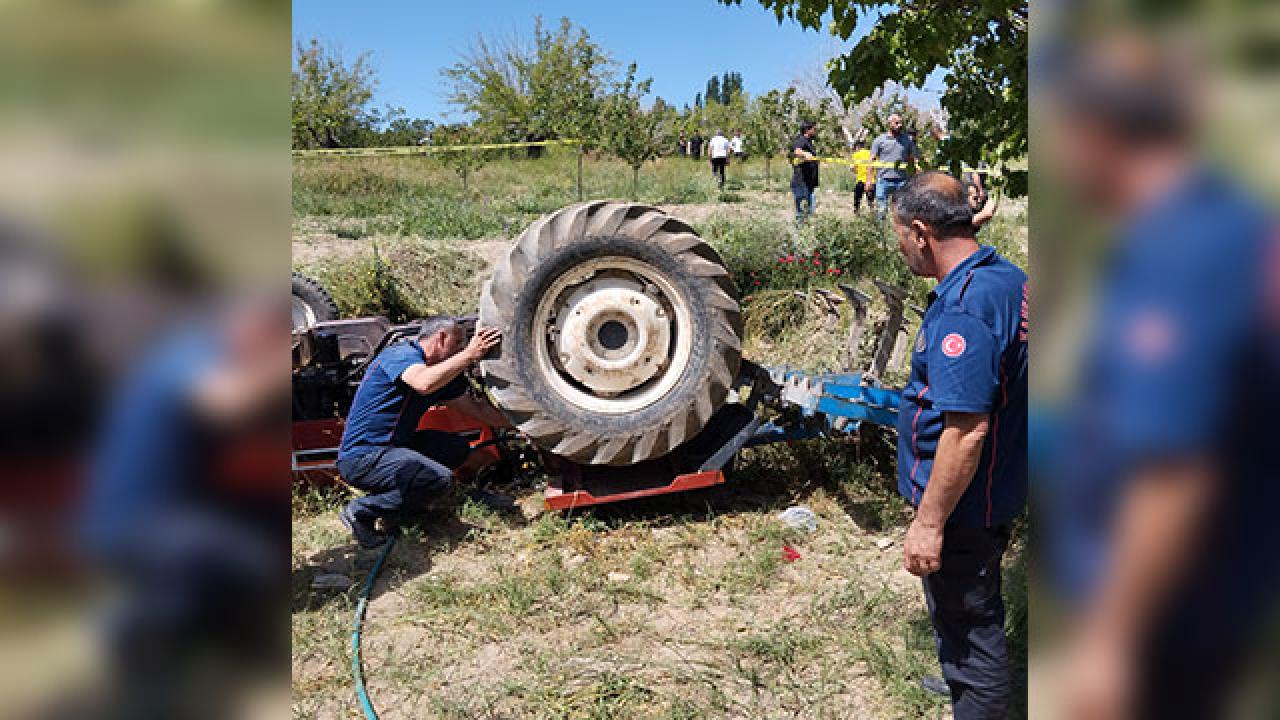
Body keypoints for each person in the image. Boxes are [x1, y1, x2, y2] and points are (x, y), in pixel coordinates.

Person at [1045, 37, 1280, 720]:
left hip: (1170, 620)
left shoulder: (1180, 252)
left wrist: (1110, 642)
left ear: (1099, 133)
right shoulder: (1228, 223)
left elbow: (1174, 469)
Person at [892, 172, 1028, 720]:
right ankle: (963, 679)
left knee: (973, 626)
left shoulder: (964, 309)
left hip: (965, 504)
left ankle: (977, 695)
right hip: (999, 486)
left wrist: (929, 522)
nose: (900, 246)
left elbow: (966, 430)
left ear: (922, 232)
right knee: (957, 613)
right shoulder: (1005, 277)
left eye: (900, 235)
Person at [335, 316, 512, 549]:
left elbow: (478, 409)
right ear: (441, 338)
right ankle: (362, 511)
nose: (461, 349)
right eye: (458, 344)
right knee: (438, 479)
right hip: (364, 457)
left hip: (396, 448)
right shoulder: (400, 355)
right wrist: (470, 354)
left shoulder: (443, 375)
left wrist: (523, 425)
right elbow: (423, 383)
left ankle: (405, 509)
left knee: (456, 448)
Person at [870, 113, 920, 210]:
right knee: (882, 209)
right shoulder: (879, 140)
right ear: (889, 124)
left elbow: (911, 159)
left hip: (902, 180)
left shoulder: (907, 140)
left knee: (901, 209)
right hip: (883, 179)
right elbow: (871, 160)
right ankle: (881, 225)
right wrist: (869, 180)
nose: (900, 125)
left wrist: (913, 177)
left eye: (901, 123)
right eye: (897, 123)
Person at [790, 121, 820, 223]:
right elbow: (797, 151)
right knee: (802, 213)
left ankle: (807, 235)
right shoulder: (801, 140)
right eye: (814, 129)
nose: (815, 131)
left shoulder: (808, 142)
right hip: (801, 183)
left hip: (808, 183)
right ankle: (799, 236)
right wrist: (804, 153)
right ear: (807, 130)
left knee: (809, 212)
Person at [850, 139, 874, 212]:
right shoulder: (871, 153)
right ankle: (872, 214)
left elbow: (852, 168)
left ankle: (857, 213)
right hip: (872, 181)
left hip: (860, 181)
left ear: (857, 147)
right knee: (871, 201)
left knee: (857, 200)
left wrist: (857, 171)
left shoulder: (856, 155)